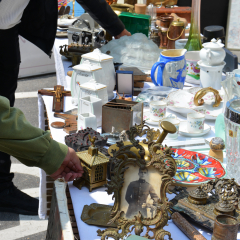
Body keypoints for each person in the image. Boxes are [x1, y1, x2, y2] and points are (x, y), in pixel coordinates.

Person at [0, 0, 130, 215]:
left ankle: (2, 187)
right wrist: (49, 153)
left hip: (7, 31)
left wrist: (118, 29)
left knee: (6, 105)